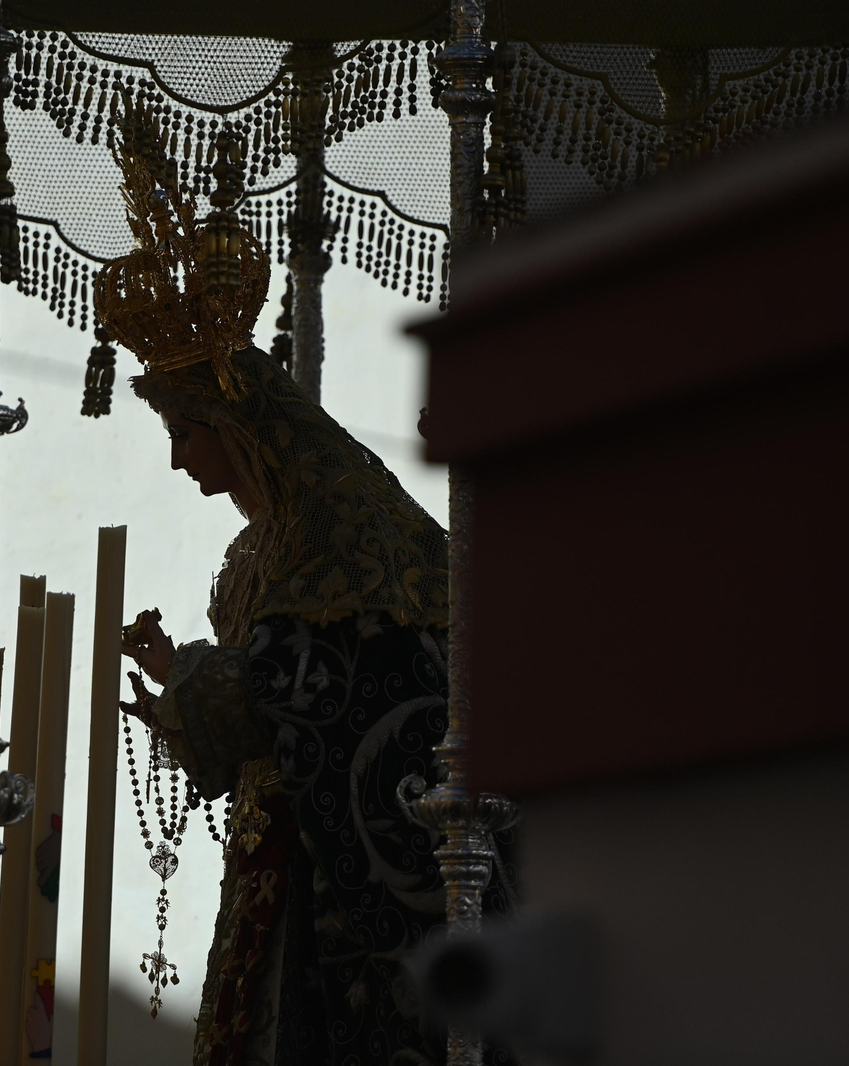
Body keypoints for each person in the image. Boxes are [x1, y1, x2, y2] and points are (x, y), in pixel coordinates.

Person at [99, 112, 510, 1066]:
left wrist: (205, 687)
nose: (177, 462)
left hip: (353, 899)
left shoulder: (344, 525)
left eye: (185, 433)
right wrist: (185, 693)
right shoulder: (260, 555)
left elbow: (339, 691)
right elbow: (275, 688)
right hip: (279, 868)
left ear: (236, 424)